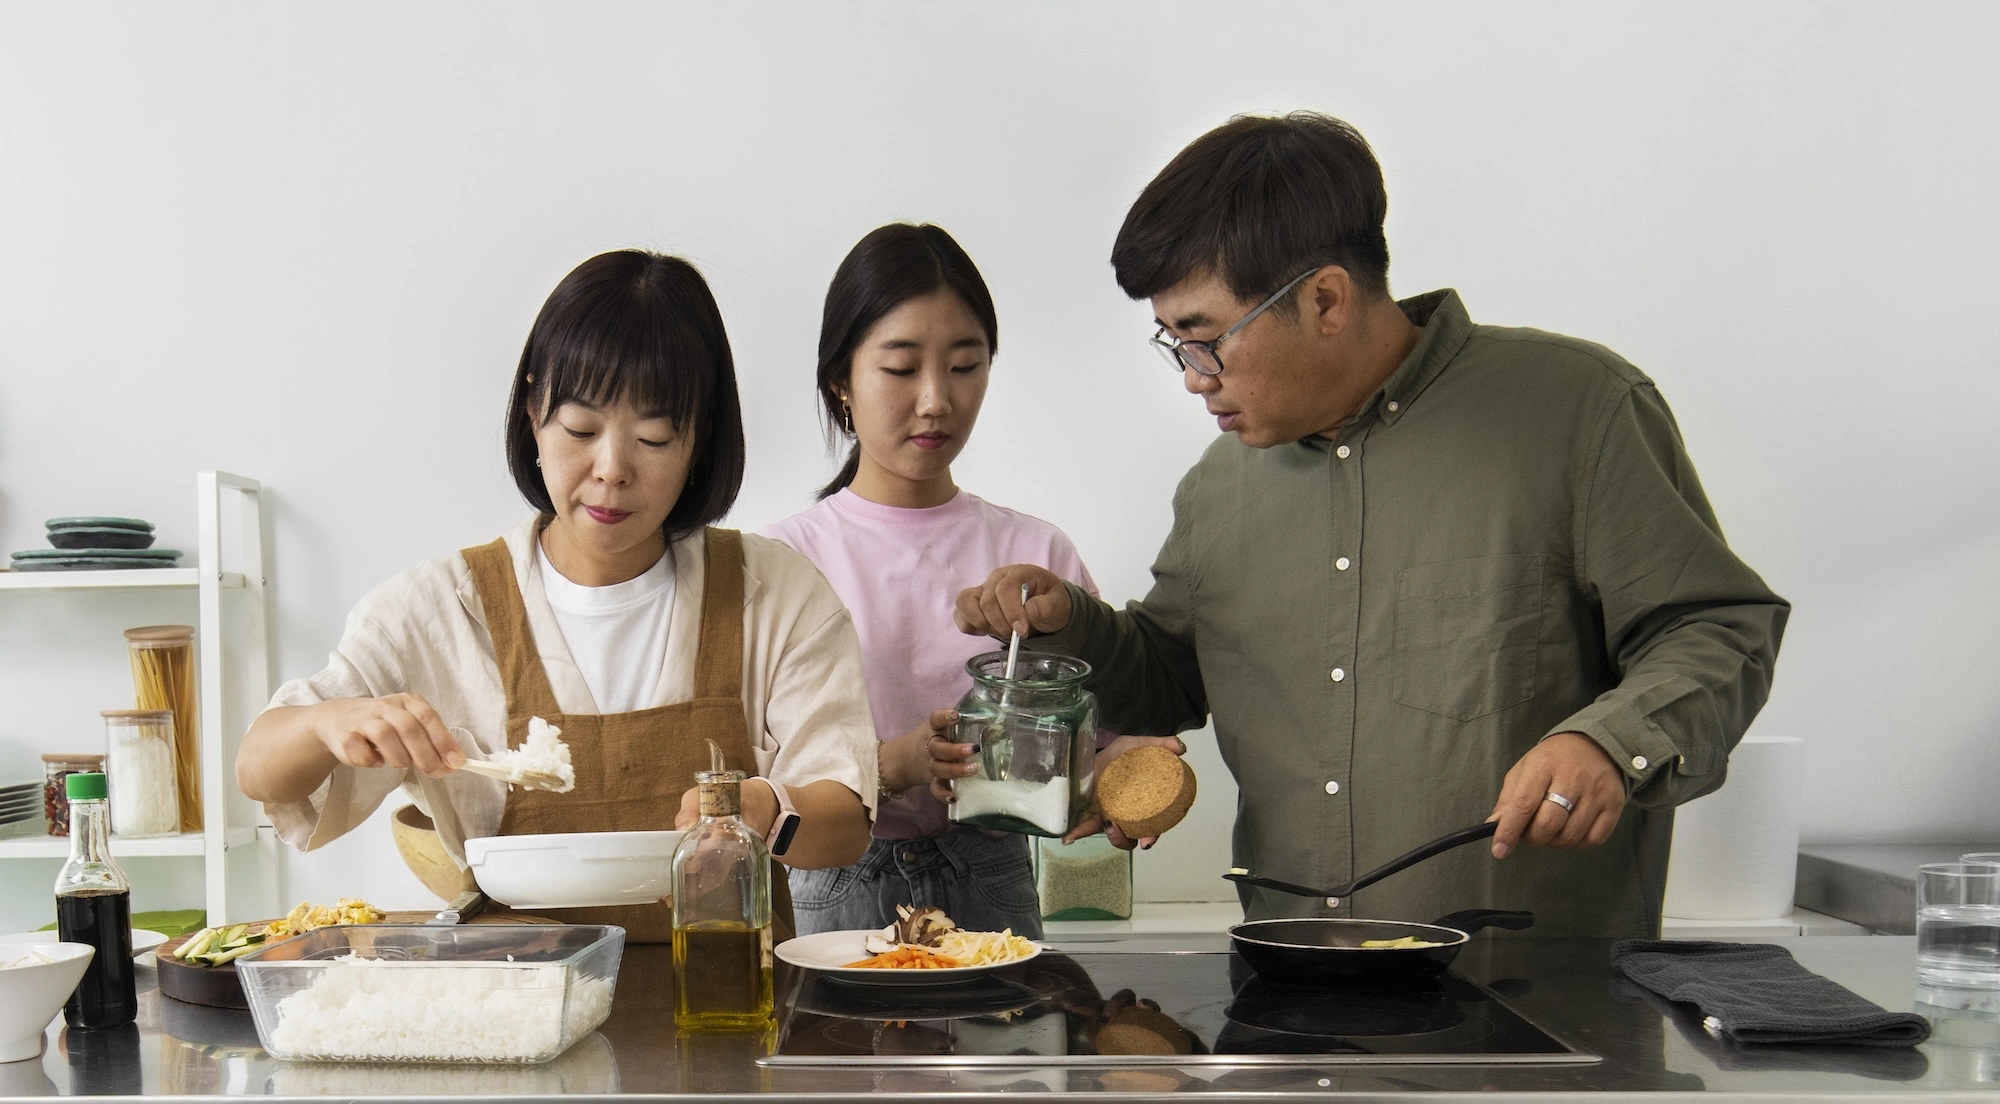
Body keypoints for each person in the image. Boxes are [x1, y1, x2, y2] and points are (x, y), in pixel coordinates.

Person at [955, 114, 1789, 937]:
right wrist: (1074, 622)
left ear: (1324, 298)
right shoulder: (1218, 486)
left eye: (1205, 339)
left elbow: (1717, 627)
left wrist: (1611, 743)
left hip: (1535, 1017)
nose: (1193, 379)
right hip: (1291, 995)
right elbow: (1174, 676)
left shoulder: (1578, 413)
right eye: (1172, 343)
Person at [237, 250, 878, 941]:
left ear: (702, 438)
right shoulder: (442, 609)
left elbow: (845, 815)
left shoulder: (772, 593)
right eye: (580, 429)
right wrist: (329, 722)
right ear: (535, 407)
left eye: (655, 437)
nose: (612, 470)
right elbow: (261, 770)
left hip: (729, 1009)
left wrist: (763, 808)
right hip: (516, 1010)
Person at [764, 223, 1176, 939]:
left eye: (964, 366)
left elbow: (1093, 736)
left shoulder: (1033, 552)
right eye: (900, 368)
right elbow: (751, 778)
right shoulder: (784, 561)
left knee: (1007, 1049)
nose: (936, 400)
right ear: (841, 382)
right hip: (827, 890)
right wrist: (893, 764)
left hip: (992, 876)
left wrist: (1124, 773)